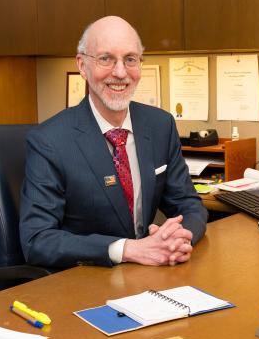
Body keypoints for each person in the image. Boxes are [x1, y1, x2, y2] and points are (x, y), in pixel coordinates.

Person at [20, 16, 207, 268]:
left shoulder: (160, 125)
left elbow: (189, 205)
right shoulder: (49, 141)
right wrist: (128, 249)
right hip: (85, 280)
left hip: (149, 275)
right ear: (82, 66)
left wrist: (180, 239)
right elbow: (38, 240)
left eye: (130, 59)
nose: (120, 73)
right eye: (106, 59)